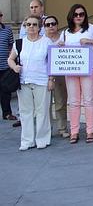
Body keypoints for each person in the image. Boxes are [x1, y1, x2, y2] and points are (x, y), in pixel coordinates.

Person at [60, 4, 93, 144]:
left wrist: (91, 41)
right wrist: (60, 46)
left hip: (88, 70)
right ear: (71, 16)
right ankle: (74, 132)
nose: (79, 17)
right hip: (71, 70)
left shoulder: (92, 29)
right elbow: (59, 50)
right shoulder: (66, 33)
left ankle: (90, 131)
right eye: (76, 14)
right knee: (73, 102)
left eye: (82, 14)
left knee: (89, 100)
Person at [7, 15, 53, 150]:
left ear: (39, 27)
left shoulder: (47, 42)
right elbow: (10, 59)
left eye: (34, 24)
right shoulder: (19, 43)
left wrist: (51, 79)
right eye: (28, 24)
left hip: (42, 81)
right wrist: (15, 67)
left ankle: (42, 139)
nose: (31, 27)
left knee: (42, 111)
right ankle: (27, 141)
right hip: (23, 81)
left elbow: (52, 63)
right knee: (26, 111)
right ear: (25, 27)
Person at [43, 15, 69, 138]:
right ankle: (47, 129)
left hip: (60, 74)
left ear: (57, 25)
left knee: (61, 102)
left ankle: (62, 128)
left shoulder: (63, 38)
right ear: (44, 27)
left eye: (53, 23)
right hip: (44, 75)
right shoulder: (41, 40)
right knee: (45, 104)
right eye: (47, 25)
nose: (51, 26)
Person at [0, 10, 18, 122]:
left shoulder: (7, 30)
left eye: (0, 15)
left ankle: (7, 113)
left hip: (5, 65)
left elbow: (11, 46)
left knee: (5, 91)